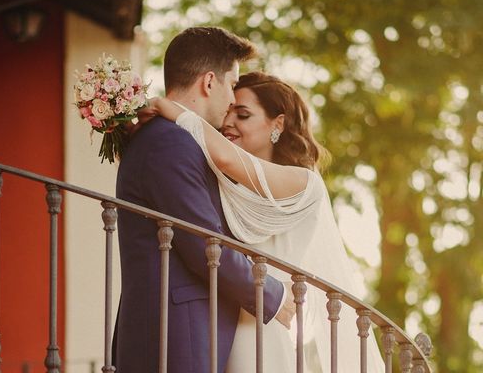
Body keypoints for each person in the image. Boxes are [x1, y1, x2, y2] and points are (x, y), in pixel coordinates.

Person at [144, 72, 384, 372]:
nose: (229, 121)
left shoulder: (303, 182)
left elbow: (228, 159)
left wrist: (172, 109)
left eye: (243, 114)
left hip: (264, 327)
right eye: (228, 111)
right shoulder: (223, 183)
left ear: (277, 124)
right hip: (221, 329)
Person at [114, 28, 295, 373]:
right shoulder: (171, 142)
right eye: (231, 84)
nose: (231, 99)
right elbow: (206, 246)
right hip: (177, 338)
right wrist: (273, 294)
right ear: (209, 82)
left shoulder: (166, 138)